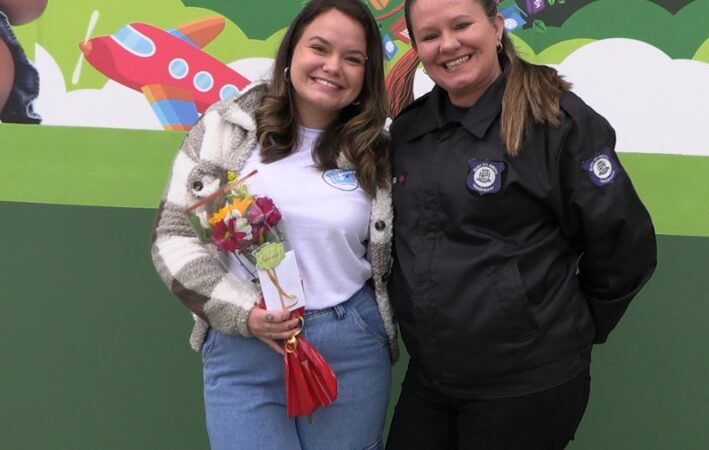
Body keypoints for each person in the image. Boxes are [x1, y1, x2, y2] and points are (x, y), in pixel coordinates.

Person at [385, 0, 657, 449]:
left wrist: (572, 328)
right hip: (431, 379)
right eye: (430, 35)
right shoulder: (410, 132)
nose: (448, 44)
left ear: (496, 28)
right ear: (416, 48)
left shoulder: (556, 121)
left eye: (461, 25)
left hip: (526, 385)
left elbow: (625, 243)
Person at [150, 1, 397, 449]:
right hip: (244, 345)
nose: (332, 66)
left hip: (349, 345)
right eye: (319, 48)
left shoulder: (379, 148)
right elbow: (174, 236)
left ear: (367, 73)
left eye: (352, 58)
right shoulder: (225, 129)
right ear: (291, 52)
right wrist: (243, 312)